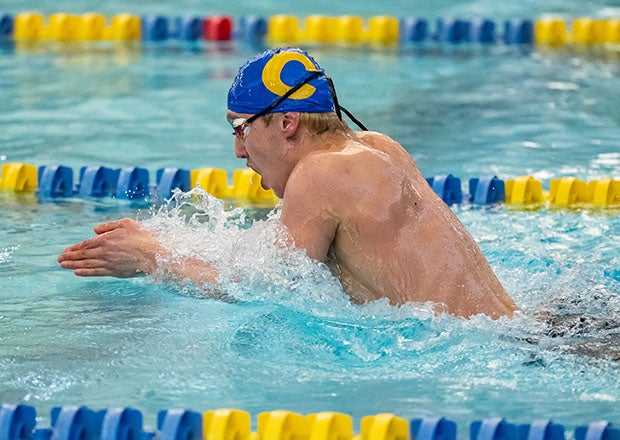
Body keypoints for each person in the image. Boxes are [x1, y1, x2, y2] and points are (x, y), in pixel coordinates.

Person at [58, 47, 518, 319]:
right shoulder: (377, 146)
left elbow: (266, 288)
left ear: (286, 123)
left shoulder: (321, 173)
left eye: (240, 128)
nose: (239, 151)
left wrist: (149, 255)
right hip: (528, 329)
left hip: (512, 355)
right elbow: (281, 261)